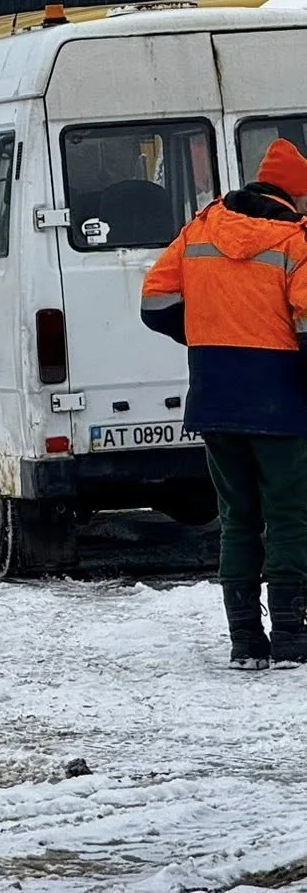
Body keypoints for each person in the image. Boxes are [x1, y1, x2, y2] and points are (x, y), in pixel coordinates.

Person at [142, 137, 307, 670]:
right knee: (289, 516)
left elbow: (155, 301)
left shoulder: (200, 230)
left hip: (215, 397)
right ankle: (290, 634)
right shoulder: (296, 243)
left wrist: (204, 336)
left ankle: (244, 641)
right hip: (282, 402)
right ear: (295, 196)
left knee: (237, 518)